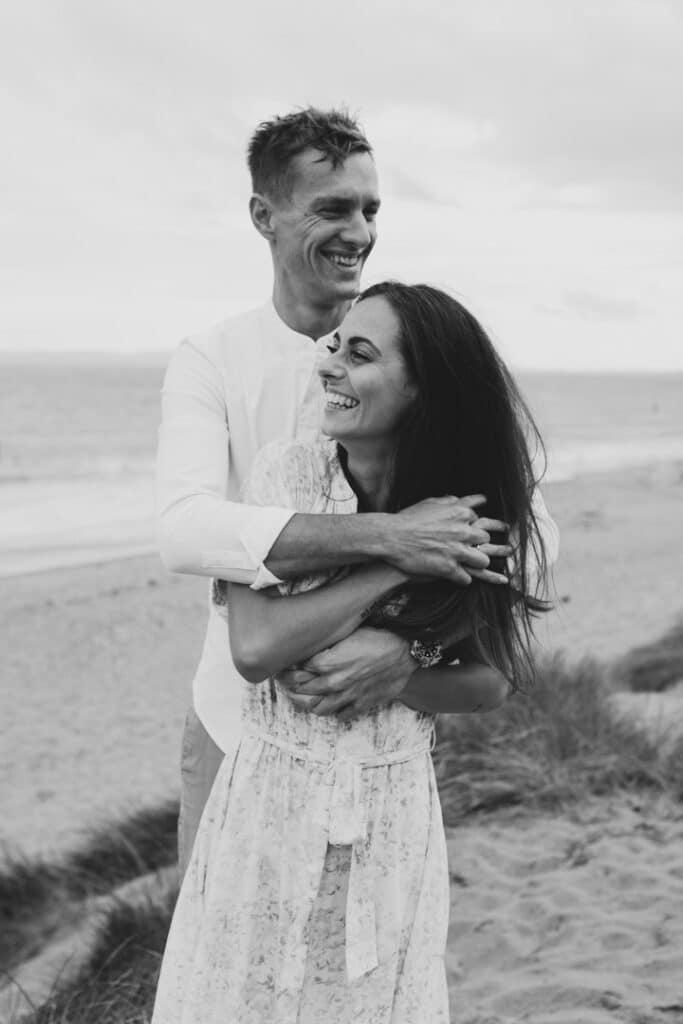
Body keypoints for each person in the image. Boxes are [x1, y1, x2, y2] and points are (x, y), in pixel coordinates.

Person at [151, 282, 555, 1024]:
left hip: (392, 811)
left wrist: (405, 664)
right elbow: (256, 646)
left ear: (424, 392)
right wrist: (401, 555)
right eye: (333, 346)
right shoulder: (283, 474)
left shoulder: (473, 510)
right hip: (266, 804)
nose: (329, 365)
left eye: (359, 354)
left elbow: (492, 679)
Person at [155, 108, 523, 873]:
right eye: (331, 208)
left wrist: (408, 651)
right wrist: (392, 540)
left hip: (377, 731)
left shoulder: (420, 354)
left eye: (370, 209)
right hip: (235, 717)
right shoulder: (211, 360)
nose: (358, 230)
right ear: (264, 215)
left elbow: (512, 536)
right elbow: (185, 531)